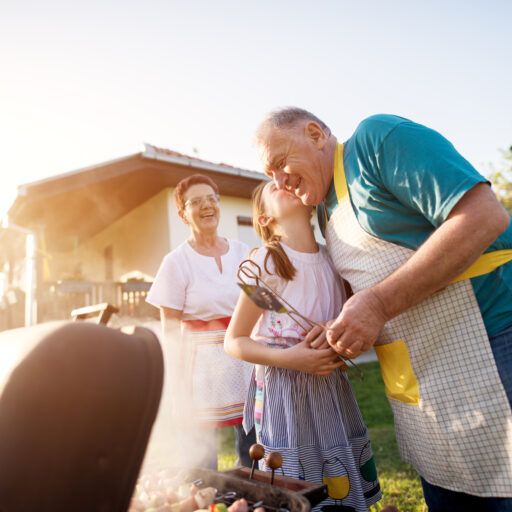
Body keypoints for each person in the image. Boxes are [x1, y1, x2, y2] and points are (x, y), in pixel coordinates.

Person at [254, 107, 512, 511]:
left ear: (316, 135)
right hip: (423, 391)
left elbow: (484, 217)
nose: (278, 181)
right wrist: (339, 326)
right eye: (269, 176)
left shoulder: (378, 140)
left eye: (279, 163)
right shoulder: (323, 214)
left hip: (492, 347)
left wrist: (376, 304)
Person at [225, 180, 382, 512]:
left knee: (332, 468)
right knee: (292, 476)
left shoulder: (335, 261)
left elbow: (350, 323)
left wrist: (334, 334)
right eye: (272, 186)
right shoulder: (265, 262)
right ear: (264, 218)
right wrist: (291, 358)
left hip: (329, 390)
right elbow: (234, 341)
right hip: (284, 392)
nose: (281, 182)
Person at [146, 173, 256, 470]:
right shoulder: (175, 262)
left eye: (212, 199)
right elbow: (170, 328)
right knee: (201, 459)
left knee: (252, 448)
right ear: (182, 214)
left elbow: (258, 304)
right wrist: (177, 381)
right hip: (200, 366)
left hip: (242, 357)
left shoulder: (242, 252)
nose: (207, 206)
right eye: (197, 201)